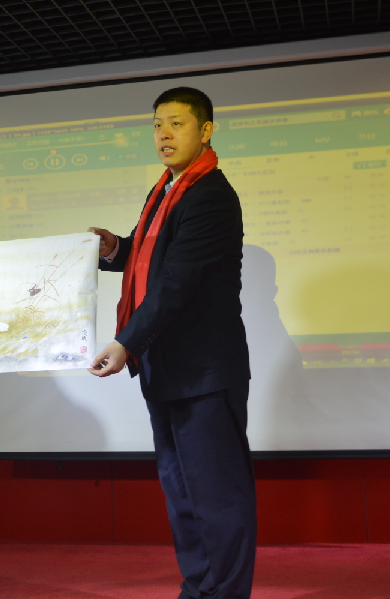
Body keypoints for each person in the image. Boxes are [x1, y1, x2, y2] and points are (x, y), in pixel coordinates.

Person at [88, 87, 257, 599]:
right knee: (182, 494)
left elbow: (176, 282)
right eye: (157, 124)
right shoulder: (166, 188)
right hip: (166, 369)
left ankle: (225, 592)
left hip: (204, 373)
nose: (163, 134)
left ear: (206, 131)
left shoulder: (211, 195)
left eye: (176, 124)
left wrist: (125, 342)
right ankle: (199, 587)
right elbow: (150, 257)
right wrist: (115, 249)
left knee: (217, 496)